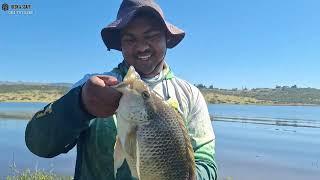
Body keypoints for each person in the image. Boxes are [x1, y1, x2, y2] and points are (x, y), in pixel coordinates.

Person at [25, 0, 218, 179]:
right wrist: (80, 105)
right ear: (120, 44)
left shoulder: (190, 95)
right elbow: (38, 144)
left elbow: (206, 164)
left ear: (166, 38)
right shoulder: (93, 86)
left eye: (151, 36)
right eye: (130, 39)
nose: (141, 47)